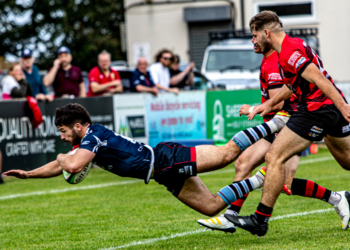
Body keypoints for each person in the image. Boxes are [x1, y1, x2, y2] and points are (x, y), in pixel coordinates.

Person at [4, 103, 289, 217]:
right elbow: (61, 165)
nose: (63, 138)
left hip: (166, 158)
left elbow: (71, 165)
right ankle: (260, 180)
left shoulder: (93, 136)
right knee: (212, 207)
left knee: (227, 154)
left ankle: (275, 124)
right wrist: (29, 174)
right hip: (161, 173)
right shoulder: (84, 142)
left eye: (64, 132)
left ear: (78, 126)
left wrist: (61, 156)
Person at [197, 34, 347, 233]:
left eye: (254, 35)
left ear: (266, 34)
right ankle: (231, 215)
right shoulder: (275, 56)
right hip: (295, 118)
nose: (252, 40)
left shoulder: (281, 57)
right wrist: (262, 107)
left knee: (283, 179)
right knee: (245, 164)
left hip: (295, 120)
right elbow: (291, 88)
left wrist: (258, 108)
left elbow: (288, 97)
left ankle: (336, 198)